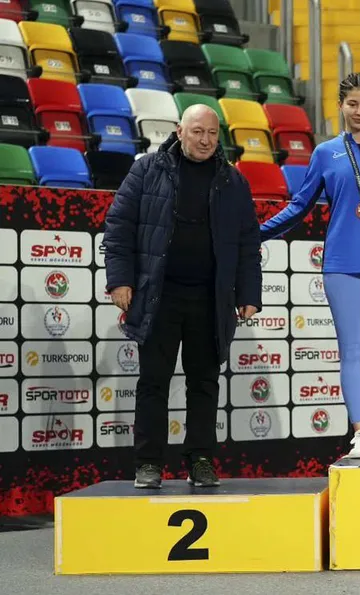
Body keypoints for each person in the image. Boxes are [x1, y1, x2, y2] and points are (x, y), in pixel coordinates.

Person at [260, 73, 360, 460]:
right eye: (352, 104)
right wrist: (257, 233)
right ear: (340, 107)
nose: (359, 111)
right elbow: (300, 205)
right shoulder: (325, 153)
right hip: (341, 263)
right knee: (351, 350)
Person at [103, 104, 263, 489]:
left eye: (212, 133)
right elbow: (118, 228)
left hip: (210, 299)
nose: (206, 140)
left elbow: (248, 243)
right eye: (197, 132)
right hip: (158, 295)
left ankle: (201, 459)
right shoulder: (147, 170)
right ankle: (148, 463)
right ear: (179, 131)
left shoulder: (233, 181)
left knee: (205, 382)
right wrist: (120, 280)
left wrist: (248, 292)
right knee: (153, 382)